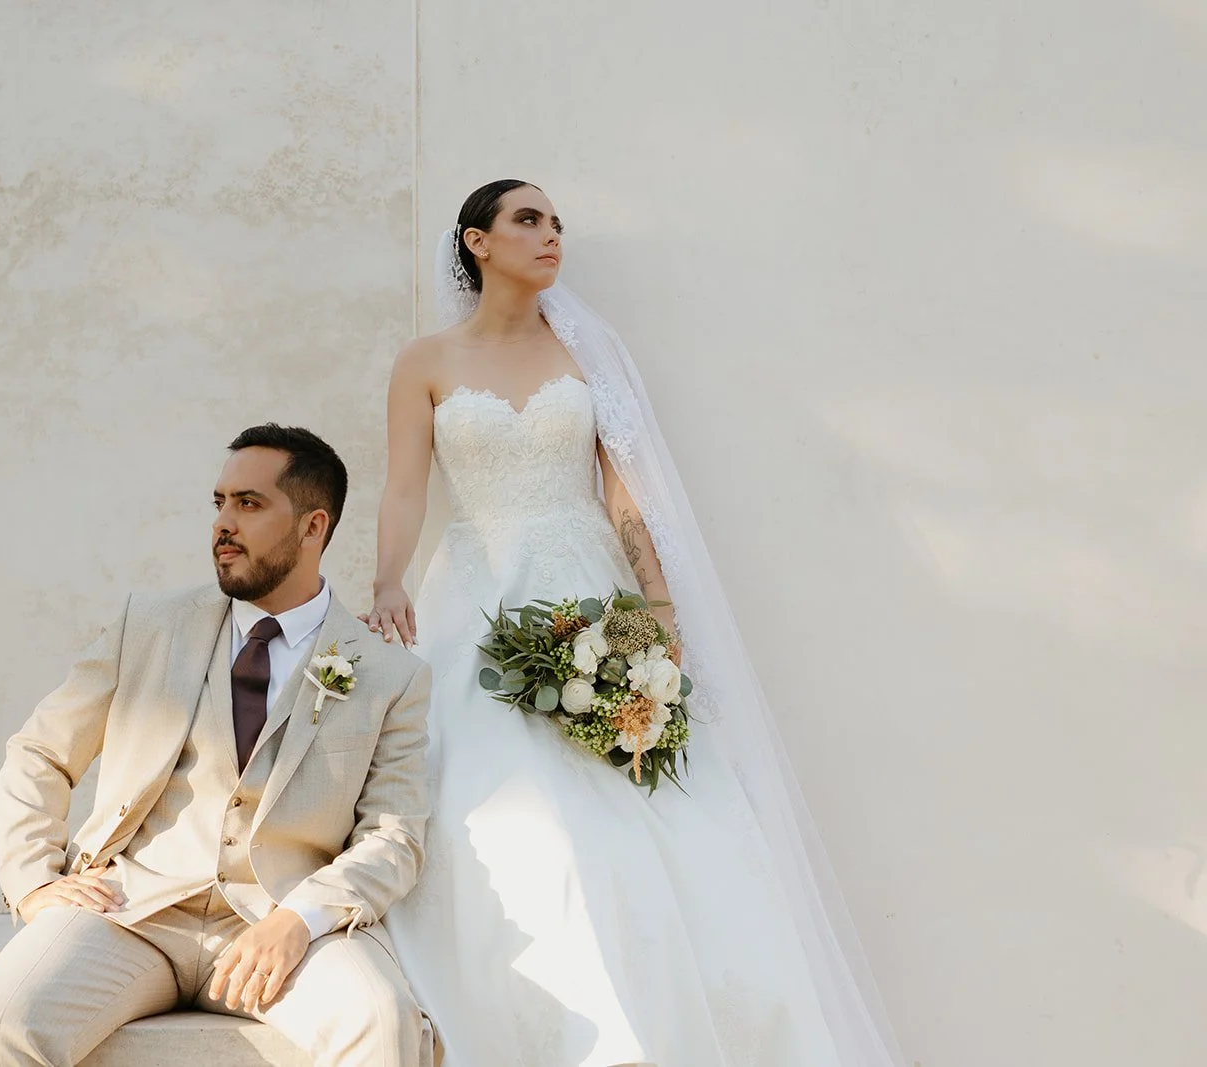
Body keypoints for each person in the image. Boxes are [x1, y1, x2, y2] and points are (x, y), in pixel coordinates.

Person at [366, 179, 906, 1066]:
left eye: (557, 224)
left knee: (642, 800)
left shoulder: (583, 356)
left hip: (589, 589)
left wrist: (655, 609)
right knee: (491, 803)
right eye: (529, 220)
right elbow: (404, 486)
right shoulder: (424, 361)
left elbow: (623, 493)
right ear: (477, 242)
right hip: (478, 591)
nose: (551, 237)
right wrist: (388, 581)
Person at [0, 424, 435, 1066]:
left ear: (312, 527)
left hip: (279, 920)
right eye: (219, 503)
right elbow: (39, 752)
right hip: (131, 911)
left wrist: (301, 919)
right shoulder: (148, 625)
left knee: (382, 1026)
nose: (223, 523)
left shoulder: (389, 674)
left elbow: (394, 836)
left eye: (249, 503)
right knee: (3, 1024)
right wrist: (32, 882)